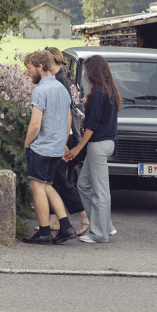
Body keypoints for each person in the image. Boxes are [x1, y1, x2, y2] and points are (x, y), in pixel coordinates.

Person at [20, 51, 76, 244]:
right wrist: (62, 143)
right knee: (48, 186)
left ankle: (44, 232)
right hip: (56, 148)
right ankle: (66, 227)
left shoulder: (40, 91)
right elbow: (68, 119)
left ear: (41, 67)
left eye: (29, 68)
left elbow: (35, 124)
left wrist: (27, 144)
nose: (27, 72)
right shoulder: (62, 88)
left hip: (41, 148)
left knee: (37, 188)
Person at [64, 54, 118, 244]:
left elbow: (92, 126)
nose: (86, 74)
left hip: (98, 145)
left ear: (94, 72)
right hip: (107, 143)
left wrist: (78, 148)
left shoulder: (98, 93)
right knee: (83, 185)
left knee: (100, 192)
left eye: (87, 70)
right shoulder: (110, 89)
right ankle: (105, 225)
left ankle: (99, 233)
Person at [45, 47, 88, 235]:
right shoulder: (58, 78)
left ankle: (84, 217)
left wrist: (62, 142)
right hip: (60, 135)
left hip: (63, 135)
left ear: (53, 60)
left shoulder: (61, 80)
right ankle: (54, 220)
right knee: (55, 179)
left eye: (45, 59)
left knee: (60, 179)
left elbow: (66, 113)